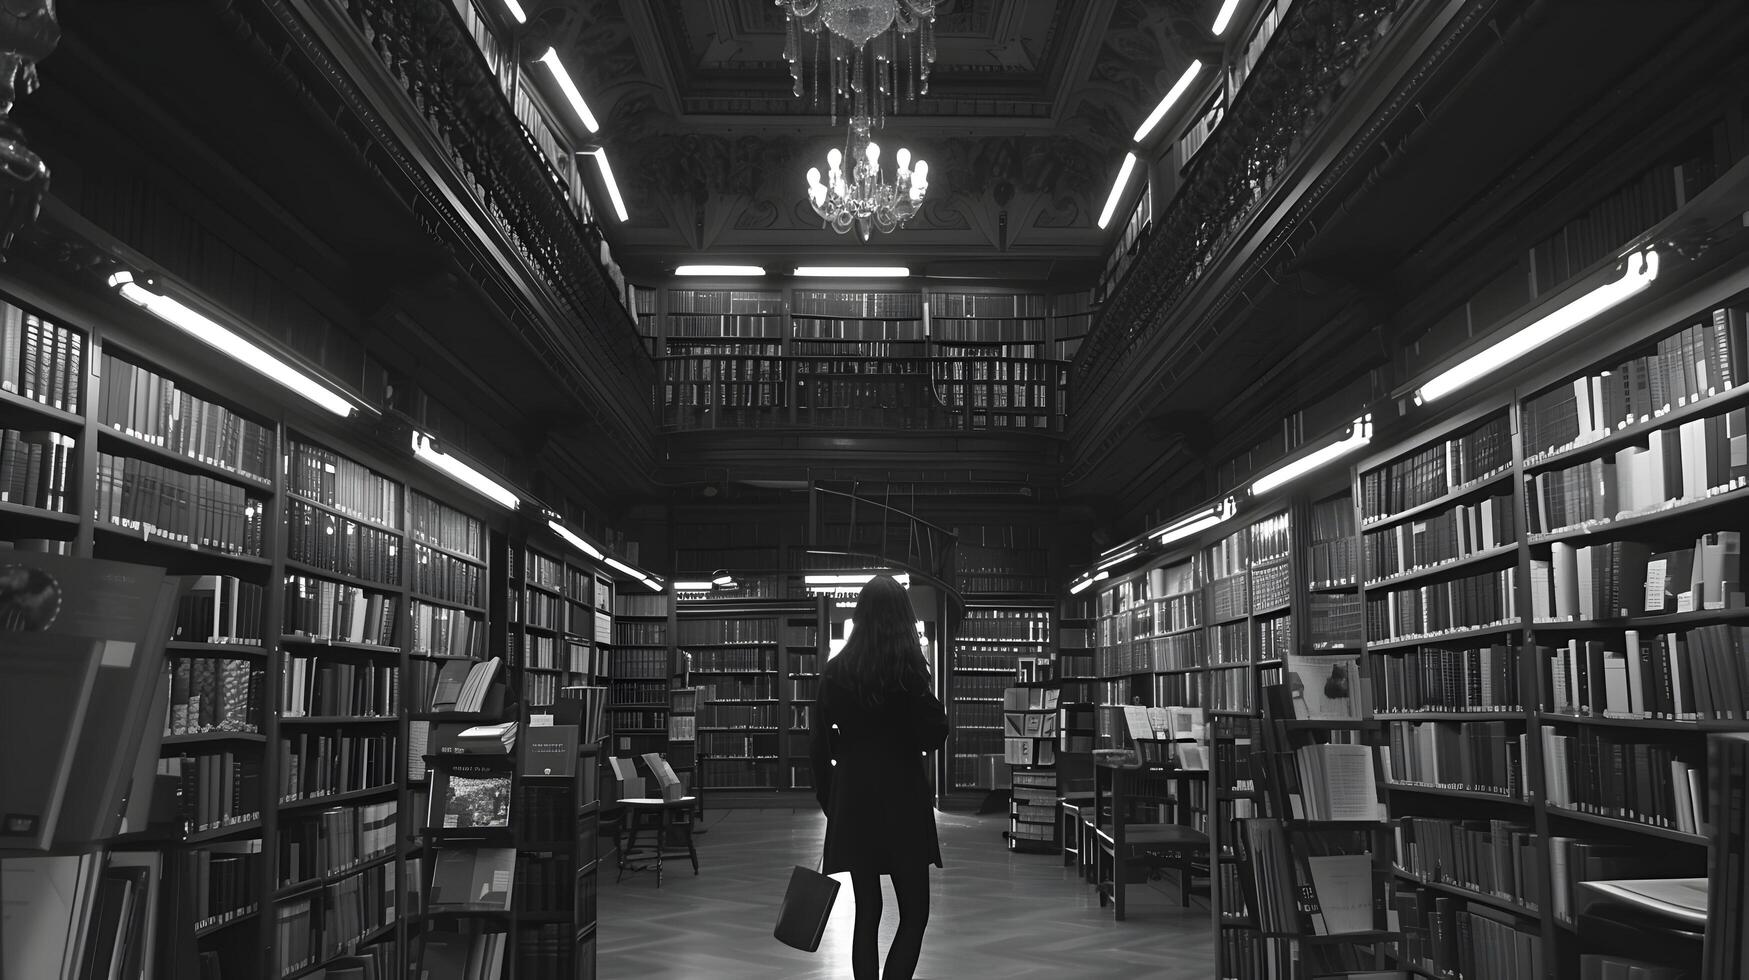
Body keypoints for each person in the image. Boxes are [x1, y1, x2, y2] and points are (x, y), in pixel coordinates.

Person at [810, 575, 949, 980]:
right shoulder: (908, 676)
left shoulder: (836, 672)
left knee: (867, 913)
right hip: (903, 799)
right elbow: (934, 734)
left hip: (855, 800)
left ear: (859, 616)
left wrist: (831, 802)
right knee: (915, 913)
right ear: (903, 620)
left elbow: (818, 746)